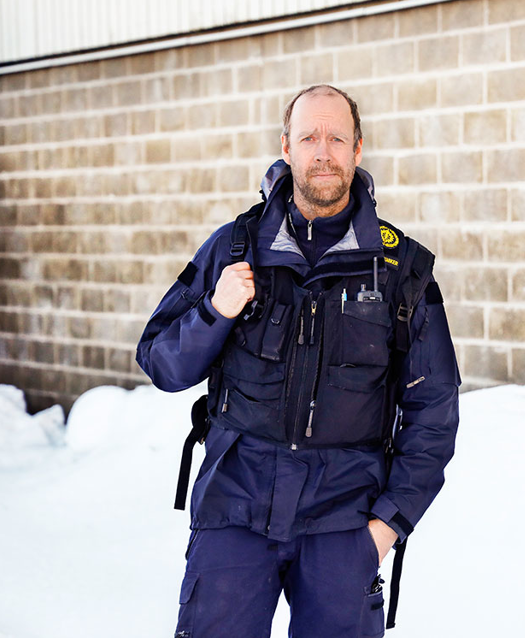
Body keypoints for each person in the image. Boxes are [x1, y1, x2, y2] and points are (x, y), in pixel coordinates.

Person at [136, 84, 459, 638]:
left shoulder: (400, 268)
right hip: (235, 505)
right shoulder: (233, 248)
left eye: (337, 137)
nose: (323, 151)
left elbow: (434, 410)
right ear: (286, 147)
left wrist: (385, 527)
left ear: (358, 150)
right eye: (309, 136)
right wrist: (216, 310)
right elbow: (162, 362)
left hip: (344, 520)